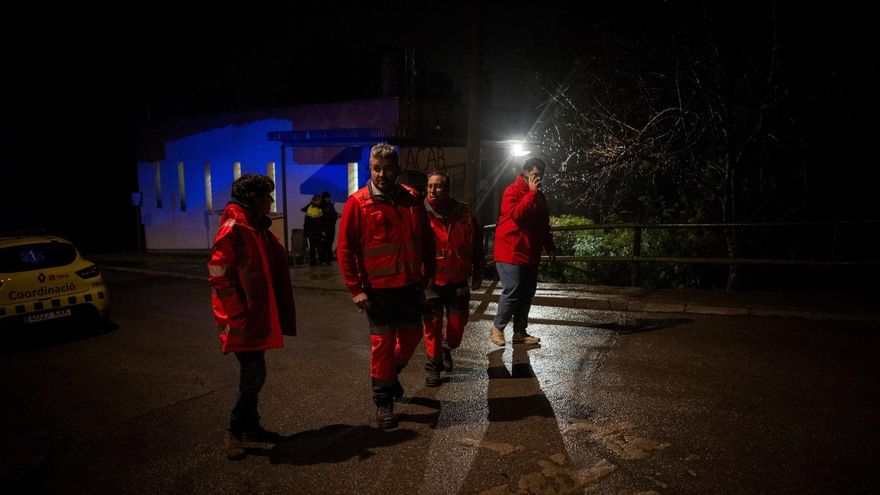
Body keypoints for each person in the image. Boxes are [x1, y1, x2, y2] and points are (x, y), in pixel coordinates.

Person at [336, 142, 435, 429]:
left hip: (409, 285)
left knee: (413, 336)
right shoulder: (358, 203)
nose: (381, 174)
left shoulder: (413, 198)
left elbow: (426, 237)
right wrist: (355, 289)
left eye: (387, 168)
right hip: (377, 290)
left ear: (397, 169)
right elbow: (345, 250)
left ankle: (390, 379)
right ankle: (383, 401)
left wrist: (429, 269)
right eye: (376, 168)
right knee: (383, 344)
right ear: (370, 168)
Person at [208, 173, 296, 460]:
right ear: (252, 198)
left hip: (253, 315)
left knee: (254, 373)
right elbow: (219, 276)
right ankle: (234, 431)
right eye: (266, 196)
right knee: (254, 375)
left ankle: (252, 428)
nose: (270, 200)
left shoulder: (254, 227)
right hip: (241, 319)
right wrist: (237, 314)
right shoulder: (235, 228)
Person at [421, 171, 484, 386]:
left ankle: (447, 348)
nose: (432, 190)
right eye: (429, 186)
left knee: (458, 325)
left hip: (457, 278)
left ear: (448, 190)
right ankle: (433, 367)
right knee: (433, 325)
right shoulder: (420, 213)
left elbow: (476, 242)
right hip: (431, 280)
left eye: (437, 186)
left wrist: (479, 270)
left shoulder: (463, 212)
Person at [491, 157, 556, 346]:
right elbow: (518, 215)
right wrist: (531, 193)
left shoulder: (538, 196)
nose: (538, 179)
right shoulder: (512, 191)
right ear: (525, 172)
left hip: (529, 252)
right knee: (512, 289)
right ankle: (498, 327)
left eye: (541, 175)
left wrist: (549, 247)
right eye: (535, 175)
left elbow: (544, 224)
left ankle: (520, 332)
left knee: (527, 292)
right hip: (510, 250)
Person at [301, 193, 324, 266]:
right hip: (315, 232)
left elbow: (306, 222)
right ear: (316, 201)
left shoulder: (310, 207)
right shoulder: (314, 209)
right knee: (318, 246)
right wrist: (321, 231)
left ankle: (313, 262)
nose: (320, 202)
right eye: (319, 200)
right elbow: (317, 222)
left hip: (311, 232)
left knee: (312, 247)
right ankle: (320, 261)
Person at [318, 191, 340, 265]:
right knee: (325, 244)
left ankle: (328, 259)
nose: (328, 199)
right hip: (325, 228)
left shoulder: (330, 205)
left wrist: (336, 216)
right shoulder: (321, 206)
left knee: (329, 243)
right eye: (327, 198)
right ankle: (324, 259)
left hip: (331, 228)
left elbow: (333, 215)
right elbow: (321, 219)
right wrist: (322, 230)